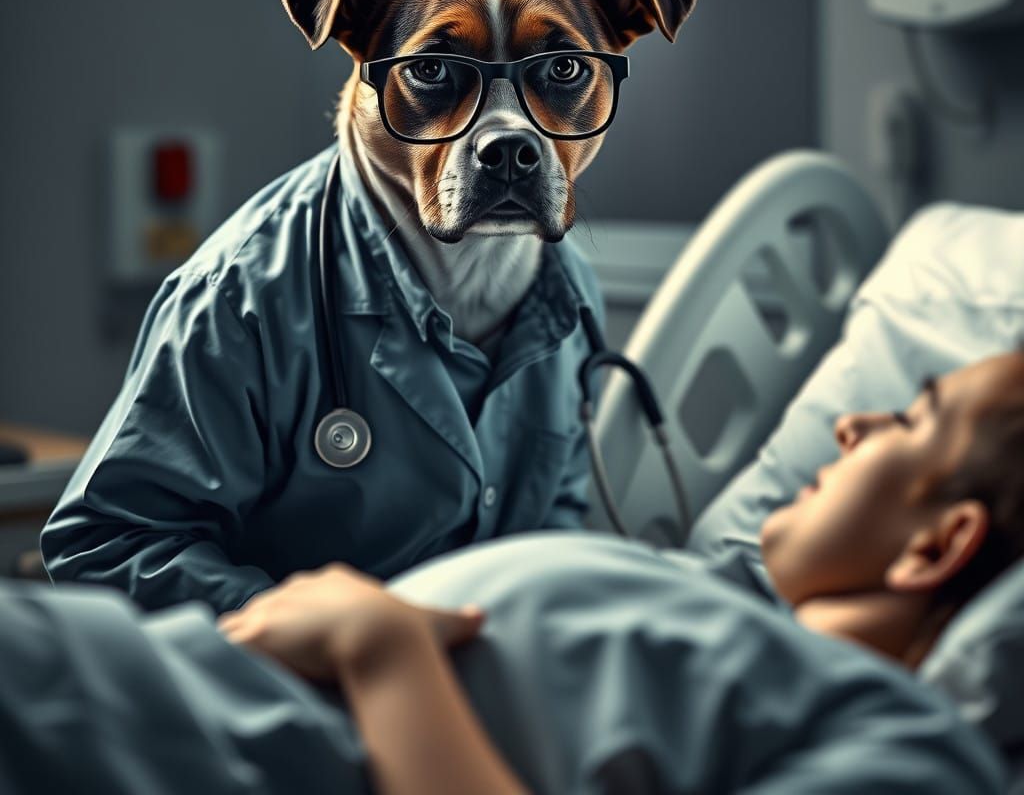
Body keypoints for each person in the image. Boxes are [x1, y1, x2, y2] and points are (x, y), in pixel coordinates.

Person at [6, 351, 1021, 792]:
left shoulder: (910, 752)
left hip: (152, 747)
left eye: (912, 416)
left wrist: (382, 647)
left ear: (937, 543)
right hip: (127, 681)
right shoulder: (745, 632)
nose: (853, 421)